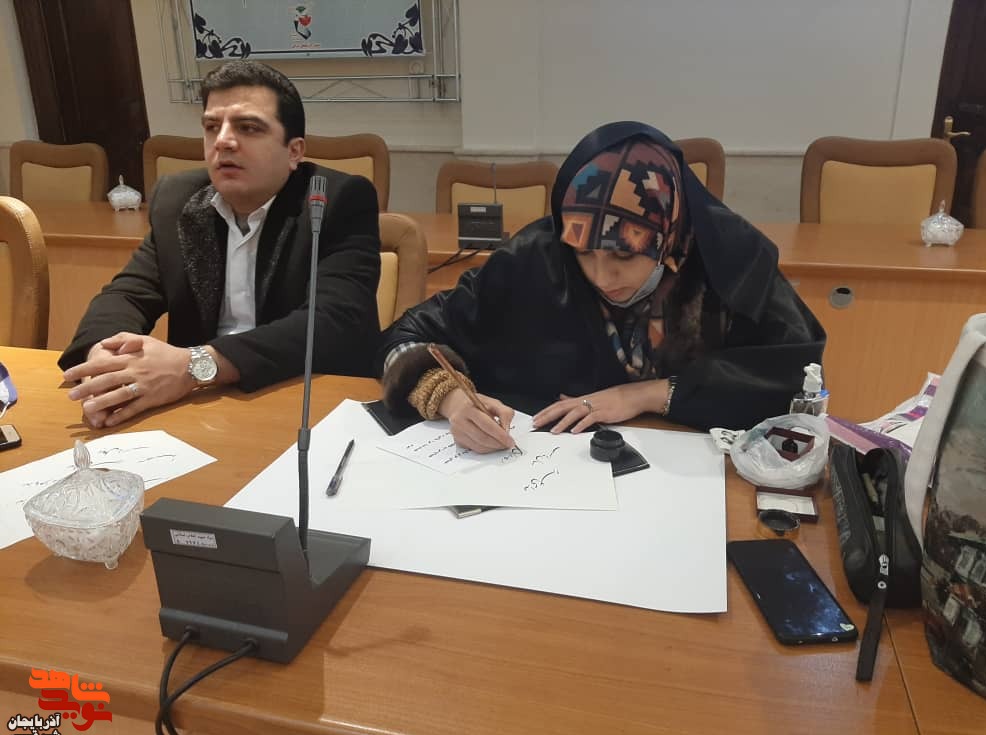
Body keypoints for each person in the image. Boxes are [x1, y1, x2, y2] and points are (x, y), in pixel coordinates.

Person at [379, 121, 825, 452]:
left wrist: (648, 394)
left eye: (624, 256)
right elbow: (406, 338)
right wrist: (451, 400)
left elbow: (797, 381)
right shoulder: (535, 259)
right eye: (583, 253)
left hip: (691, 482)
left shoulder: (730, 263)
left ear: (667, 235)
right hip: (547, 476)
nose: (601, 276)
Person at [59, 61, 381, 428]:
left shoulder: (336, 200)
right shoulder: (178, 200)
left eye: (248, 128)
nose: (223, 141)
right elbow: (127, 294)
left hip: (305, 403)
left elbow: (333, 323)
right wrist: (104, 356)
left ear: (294, 151)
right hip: (203, 409)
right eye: (212, 127)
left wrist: (193, 365)